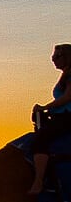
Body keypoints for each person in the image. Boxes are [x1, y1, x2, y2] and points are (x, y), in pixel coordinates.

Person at [28, 43, 71, 194]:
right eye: (53, 57)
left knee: (40, 141)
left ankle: (39, 181)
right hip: (62, 116)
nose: (53, 60)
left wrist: (45, 107)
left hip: (67, 117)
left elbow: (67, 98)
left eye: (57, 56)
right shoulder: (65, 75)